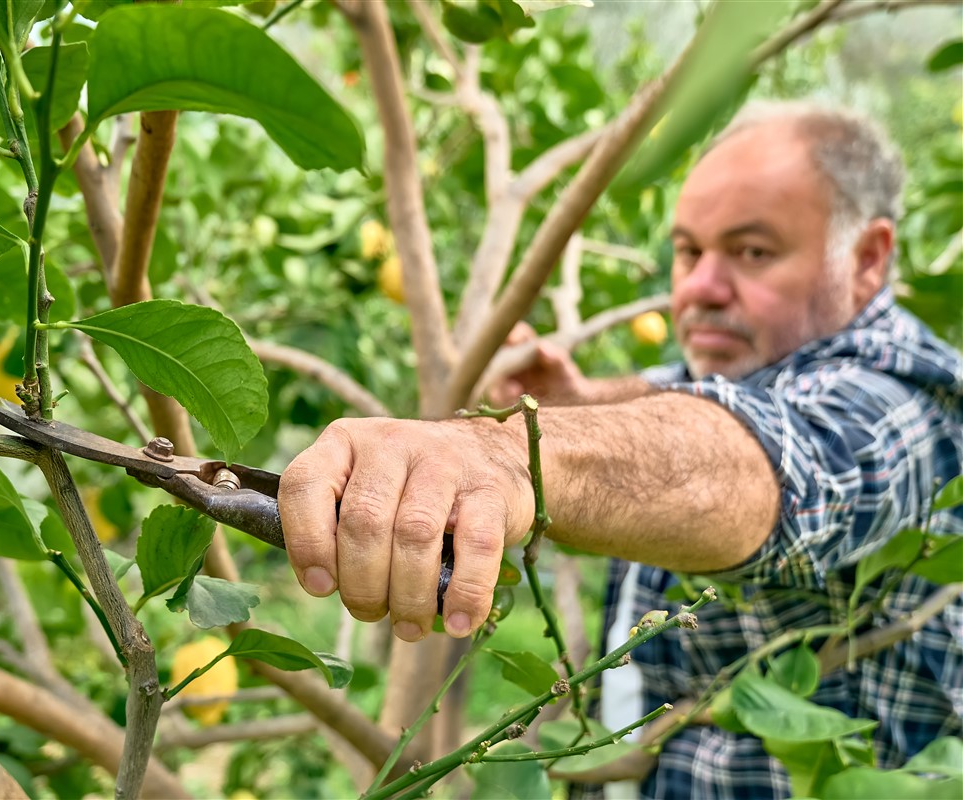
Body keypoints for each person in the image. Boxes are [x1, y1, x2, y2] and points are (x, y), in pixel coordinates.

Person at [277, 100, 963, 797]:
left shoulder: (908, 401)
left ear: (868, 258)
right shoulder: (750, 364)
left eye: (753, 252)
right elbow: (679, 400)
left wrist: (509, 454)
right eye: (690, 250)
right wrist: (573, 404)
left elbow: (774, 461)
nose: (698, 288)